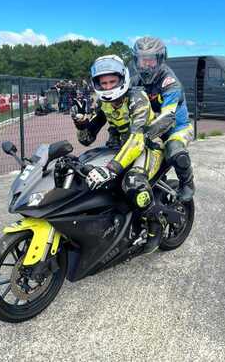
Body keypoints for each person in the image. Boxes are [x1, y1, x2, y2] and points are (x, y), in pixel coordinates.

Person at [71, 55, 174, 253]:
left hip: (149, 146)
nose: (108, 87)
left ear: (122, 79)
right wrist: (81, 124)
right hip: (122, 149)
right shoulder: (104, 104)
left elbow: (137, 139)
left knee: (132, 182)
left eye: (112, 81)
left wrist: (111, 168)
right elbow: (86, 139)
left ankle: (154, 227)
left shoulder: (137, 98)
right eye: (104, 83)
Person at [132, 37, 195, 202]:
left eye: (150, 61)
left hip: (177, 128)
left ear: (159, 60)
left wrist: (143, 134)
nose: (145, 66)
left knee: (175, 150)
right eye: (141, 60)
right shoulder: (135, 81)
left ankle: (187, 183)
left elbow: (167, 117)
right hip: (151, 130)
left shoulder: (170, 82)